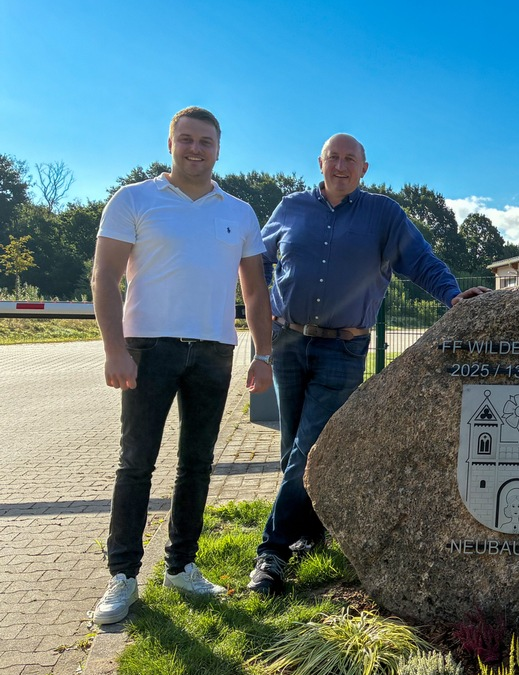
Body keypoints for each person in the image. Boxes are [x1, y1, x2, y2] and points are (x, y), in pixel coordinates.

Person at [248, 133, 489, 595]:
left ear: (364, 168)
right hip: (288, 341)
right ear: (320, 163)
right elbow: (256, 261)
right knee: (293, 442)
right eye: (333, 157)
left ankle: (272, 553)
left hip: (343, 348)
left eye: (350, 160)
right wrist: (264, 304)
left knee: (308, 443)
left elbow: (421, 261)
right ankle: (310, 531)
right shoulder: (290, 207)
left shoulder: (384, 215)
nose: (340, 165)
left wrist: (453, 295)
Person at [90, 107, 273, 625]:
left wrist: (262, 355)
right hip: (147, 349)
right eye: (187, 140)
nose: (196, 149)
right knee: (136, 463)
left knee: (197, 464)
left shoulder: (238, 210)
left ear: (219, 149)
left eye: (206, 142)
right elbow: (104, 279)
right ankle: (122, 577)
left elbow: (255, 291)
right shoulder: (134, 199)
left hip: (214, 351)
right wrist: (114, 348)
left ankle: (181, 566)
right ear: (170, 142)